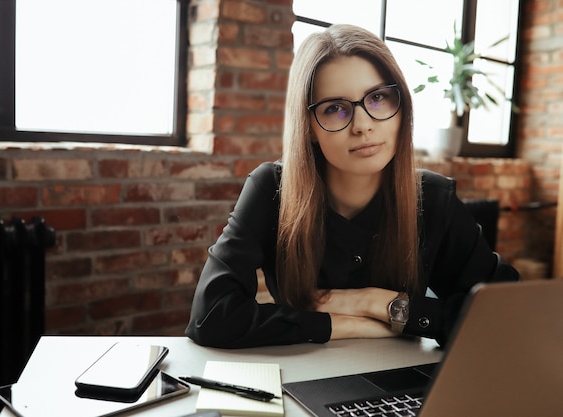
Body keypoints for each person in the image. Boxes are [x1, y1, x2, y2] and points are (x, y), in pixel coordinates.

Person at [185, 24, 520, 349]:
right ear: (309, 127)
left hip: (402, 383)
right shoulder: (272, 189)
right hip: (303, 374)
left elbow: (506, 314)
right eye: (334, 108)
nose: (362, 126)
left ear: (401, 107)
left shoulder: (431, 198)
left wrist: (381, 304)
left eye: (377, 98)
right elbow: (210, 318)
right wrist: (341, 324)